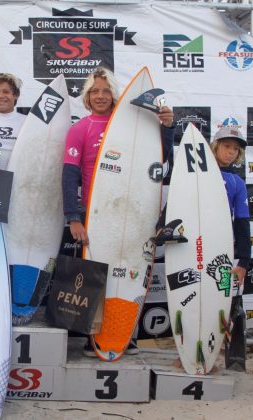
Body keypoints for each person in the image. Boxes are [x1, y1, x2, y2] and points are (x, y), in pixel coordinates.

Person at [62, 67, 176, 356]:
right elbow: (68, 176)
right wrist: (74, 217)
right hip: (95, 212)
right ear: (87, 97)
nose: (100, 96)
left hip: (134, 212)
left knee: (132, 269)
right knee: (97, 274)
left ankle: (127, 333)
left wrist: (167, 127)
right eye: (94, 91)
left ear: (115, 94)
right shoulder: (80, 129)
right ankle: (95, 336)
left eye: (106, 90)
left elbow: (162, 161)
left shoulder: (135, 125)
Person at [209, 126, 251, 285]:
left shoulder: (237, 182)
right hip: (195, 244)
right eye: (227, 146)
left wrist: (243, 262)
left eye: (236, 148)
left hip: (223, 246)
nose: (231, 152)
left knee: (221, 293)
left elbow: (242, 222)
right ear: (216, 146)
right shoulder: (196, 175)